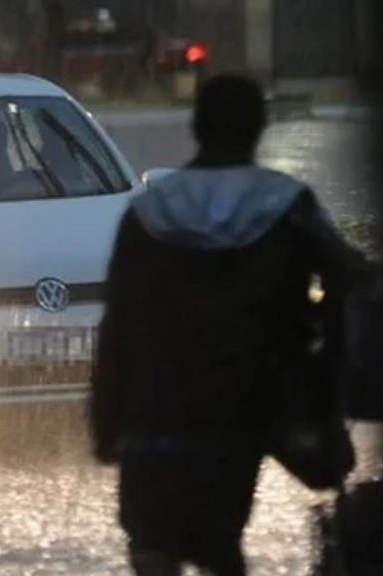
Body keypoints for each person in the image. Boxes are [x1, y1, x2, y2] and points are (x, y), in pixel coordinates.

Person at [89, 74, 364, 576]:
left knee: (152, 547)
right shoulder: (287, 207)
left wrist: (105, 420)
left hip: (152, 417)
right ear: (259, 128)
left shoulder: (148, 213)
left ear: (195, 127)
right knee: (218, 544)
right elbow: (351, 278)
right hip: (238, 419)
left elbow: (118, 324)